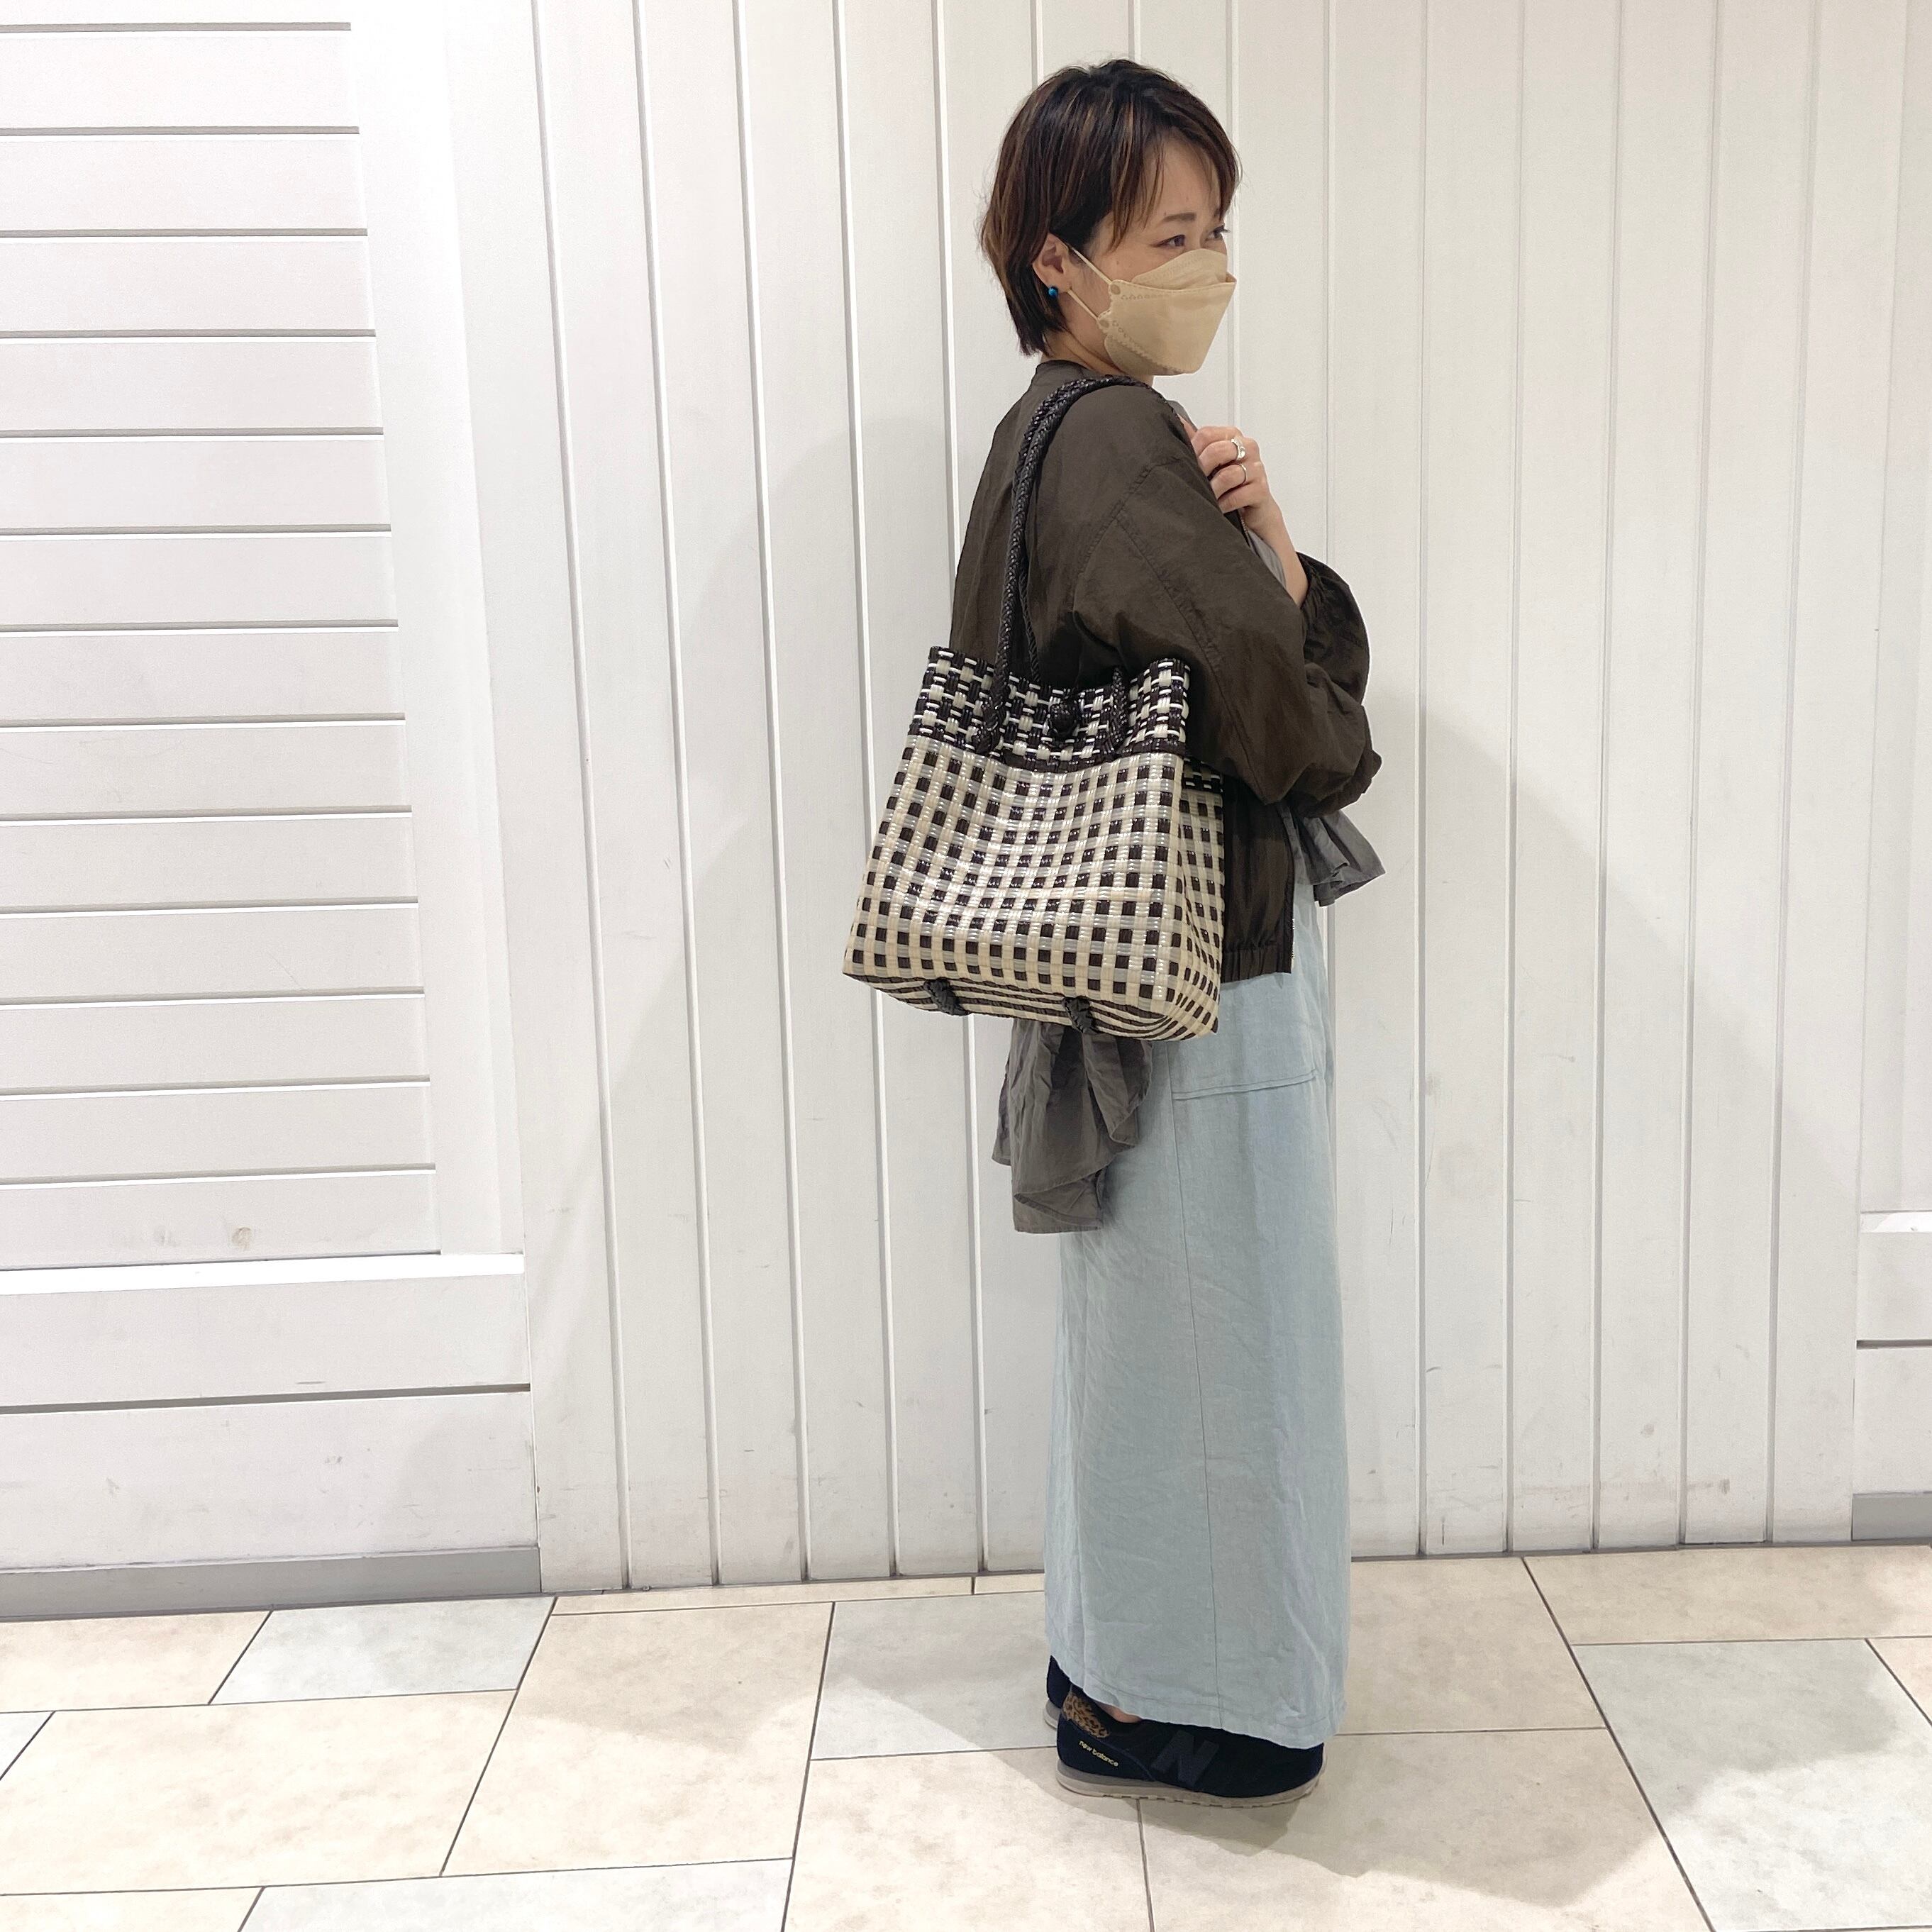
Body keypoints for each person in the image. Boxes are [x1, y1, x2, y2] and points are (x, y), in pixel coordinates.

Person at [957, 58, 1382, 1808]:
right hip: (1200, 961)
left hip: (1119, 962)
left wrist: (1268, 551)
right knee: (1225, 1332)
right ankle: (1197, 1701)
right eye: (1170, 236)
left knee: (1147, 1330)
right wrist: (1292, 583)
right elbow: (1296, 731)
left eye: (1217, 230)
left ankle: (1117, 1661)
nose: (1206, 267)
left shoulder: (1042, 433)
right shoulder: (1122, 440)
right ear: (1058, 259)